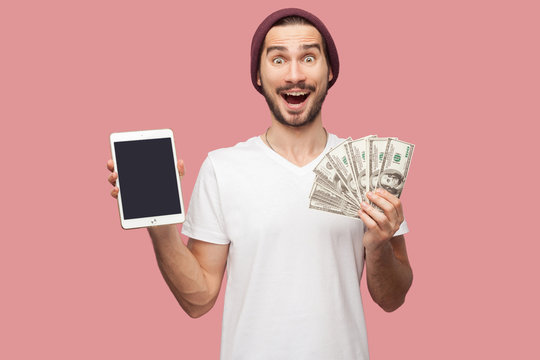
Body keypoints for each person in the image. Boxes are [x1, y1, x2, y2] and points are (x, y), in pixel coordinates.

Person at [107, 8, 412, 360]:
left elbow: (393, 298)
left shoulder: (367, 168)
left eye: (309, 57)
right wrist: (160, 229)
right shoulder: (223, 168)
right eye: (278, 59)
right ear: (258, 75)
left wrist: (378, 247)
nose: (294, 74)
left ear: (330, 72)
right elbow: (198, 299)